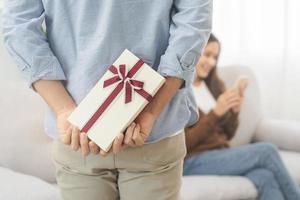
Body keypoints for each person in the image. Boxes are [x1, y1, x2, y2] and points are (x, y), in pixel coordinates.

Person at [1, 1, 212, 199]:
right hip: (154, 127)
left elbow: (17, 25)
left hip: (78, 130)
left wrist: (63, 108)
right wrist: (151, 110)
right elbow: (193, 23)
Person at [183, 34, 300, 200]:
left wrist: (233, 113)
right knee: (267, 151)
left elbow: (228, 134)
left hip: (219, 154)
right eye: (207, 55)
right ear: (194, 51)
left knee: (264, 177)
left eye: (215, 57)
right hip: (193, 161)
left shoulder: (214, 86)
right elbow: (184, 144)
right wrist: (216, 112)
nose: (211, 62)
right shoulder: (181, 92)